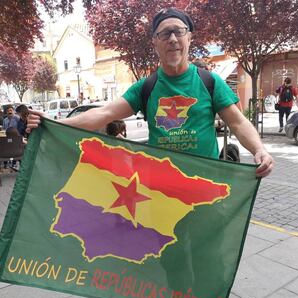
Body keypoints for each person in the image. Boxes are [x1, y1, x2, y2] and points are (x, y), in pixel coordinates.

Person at [27, 7, 273, 177]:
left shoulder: (210, 82)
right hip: (160, 188)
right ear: (155, 42)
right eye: (165, 33)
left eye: (179, 31)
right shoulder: (145, 88)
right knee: (164, 251)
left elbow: (238, 123)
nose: (173, 38)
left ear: (190, 39)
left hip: (204, 184)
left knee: (204, 251)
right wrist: (53, 122)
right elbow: (103, 114)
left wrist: (258, 149)